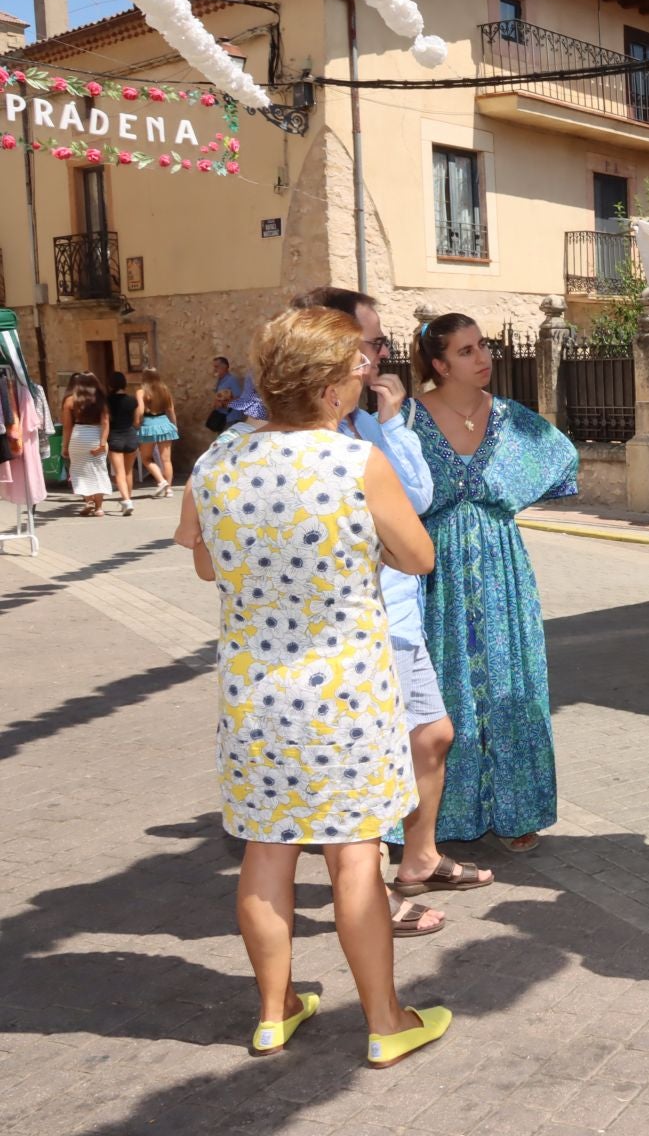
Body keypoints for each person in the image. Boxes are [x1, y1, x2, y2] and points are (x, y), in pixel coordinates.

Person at [173, 307, 453, 1067]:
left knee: (266, 849)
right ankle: (386, 1020)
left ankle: (273, 1011)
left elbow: (204, 564)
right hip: (344, 692)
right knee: (353, 852)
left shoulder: (218, 459)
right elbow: (419, 556)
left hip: (254, 692)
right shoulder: (351, 463)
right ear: (330, 391)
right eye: (356, 372)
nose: (364, 380)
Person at [289, 287, 492, 936]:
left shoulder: (369, 420)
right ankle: (371, 894)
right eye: (372, 343)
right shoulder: (305, 436)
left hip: (399, 611)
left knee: (432, 736)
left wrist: (397, 420)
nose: (382, 354)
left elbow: (421, 493)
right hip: (357, 624)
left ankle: (419, 857)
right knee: (368, 763)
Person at [407, 313, 579, 852]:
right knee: (443, 685)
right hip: (433, 571)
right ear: (438, 364)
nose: (482, 357)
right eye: (465, 351)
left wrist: (506, 498)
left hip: (502, 567)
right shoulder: (407, 420)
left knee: (510, 684)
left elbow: (562, 459)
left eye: (483, 346)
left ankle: (516, 808)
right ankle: (438, 818)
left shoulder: (511, 417)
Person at [65, 373, 110, 515]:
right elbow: (105, 423)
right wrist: (102, 444)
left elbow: (67, 427)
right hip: (95, 436)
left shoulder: (70, 401)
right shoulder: (100, 401)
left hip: (78, 436)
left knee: (80, 471)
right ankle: (99, 507)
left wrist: (65, 446)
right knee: (98, 471)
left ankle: (88, 501)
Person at [135, 368, 179, 497]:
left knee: (146, 458)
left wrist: (137, 422)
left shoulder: (141, 392)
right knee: (166, 460)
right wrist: (174, 426)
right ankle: (169, 489)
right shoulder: (165, 391)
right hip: (164, 423)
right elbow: (171, 410)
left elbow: (141, 411)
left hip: (149, 425)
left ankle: (161, 480)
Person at [104, 370, 140, 514]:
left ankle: (126, 500)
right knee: (128, 471)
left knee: (119, 472)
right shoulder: (133, 400)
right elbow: (137, 421)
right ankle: (128, 498)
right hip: (130, 435)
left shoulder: (106, 400)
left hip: (115, 436)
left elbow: (106, 420)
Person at [212, 356, 246, 429]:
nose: (214, 369)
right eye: (214, 367)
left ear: (225, 366)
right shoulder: (220, 381)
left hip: (232, 418)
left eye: (217, 366)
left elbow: (239, 398)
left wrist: (223, 404)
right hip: (223, 419)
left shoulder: (231, 380)